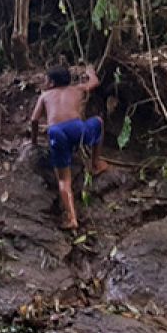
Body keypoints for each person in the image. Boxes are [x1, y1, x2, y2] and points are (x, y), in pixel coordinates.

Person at [29, 65, 110, 230]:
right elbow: (94, 82)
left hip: (57, 132)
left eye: (46, 79)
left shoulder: (45, 96)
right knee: (99, 122)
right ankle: (96, 162)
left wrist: (34, 141)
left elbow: (34, 120)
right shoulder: (78, 89)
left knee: (64, 179)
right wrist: (89, 71)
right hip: (77, 129)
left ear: (51, 82)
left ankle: (72, 218)